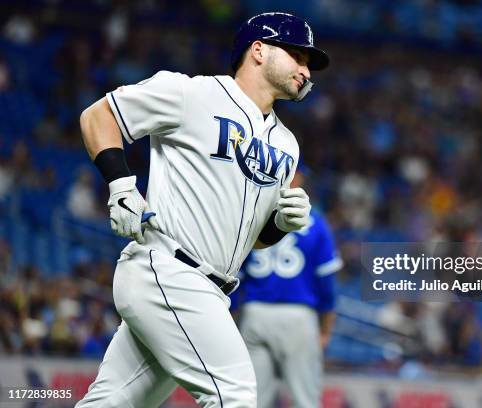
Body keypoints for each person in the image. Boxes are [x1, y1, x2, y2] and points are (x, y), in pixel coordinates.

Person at [75, 12, 329, 408]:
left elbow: (251, 242)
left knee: (114, 403)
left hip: (211, 288)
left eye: (309, 63)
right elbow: (99, 116)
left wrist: (279, 224)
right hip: (167, 269)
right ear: (258, 50)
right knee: (235, 394)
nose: (305, 68)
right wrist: (121, 184)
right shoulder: (192, 94)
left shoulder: (286, 143)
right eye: (297, 54)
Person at [232, 165, 342, 408]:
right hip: (298, 318)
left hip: (255, 314)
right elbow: (327, 287)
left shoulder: (252, 216)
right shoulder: (316, 222)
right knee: (306, 401)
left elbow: (235, 282)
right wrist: (325, 330)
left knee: (252, 402)